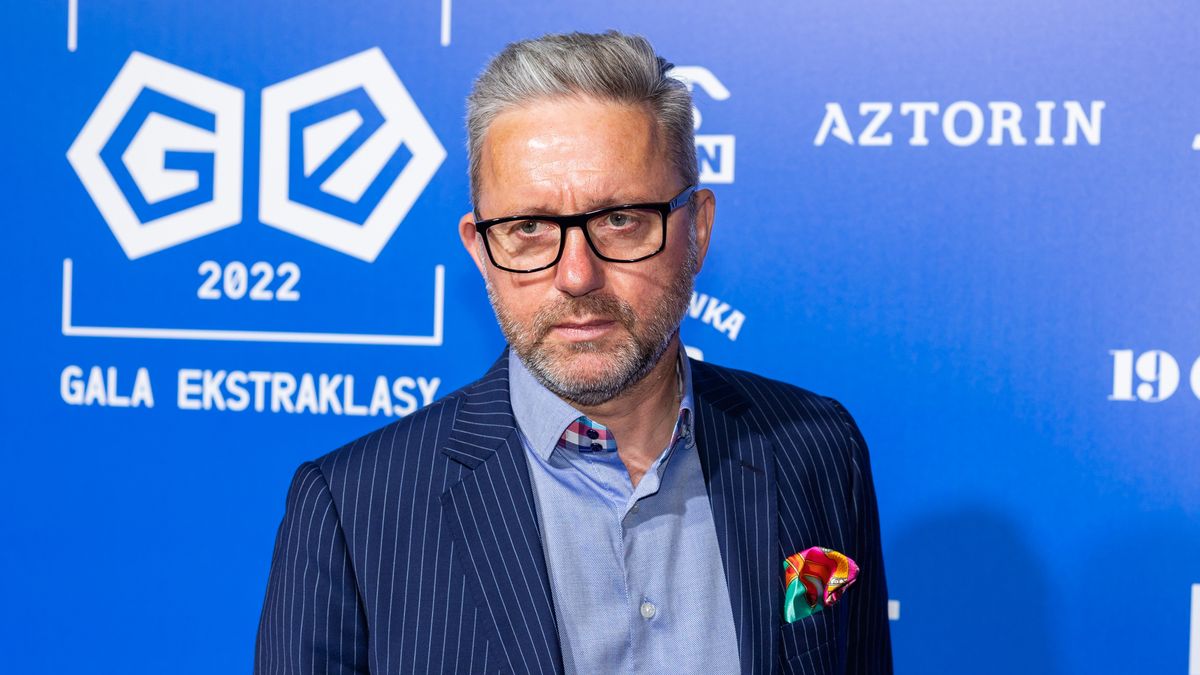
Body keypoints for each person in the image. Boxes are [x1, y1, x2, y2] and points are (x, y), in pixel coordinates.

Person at [255, 31, 891, 675]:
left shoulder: (816, 448)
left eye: (620, 219)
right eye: (529, 228)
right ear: (480, 250)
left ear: (697, 229)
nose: (577, 276)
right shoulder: (353, 511)